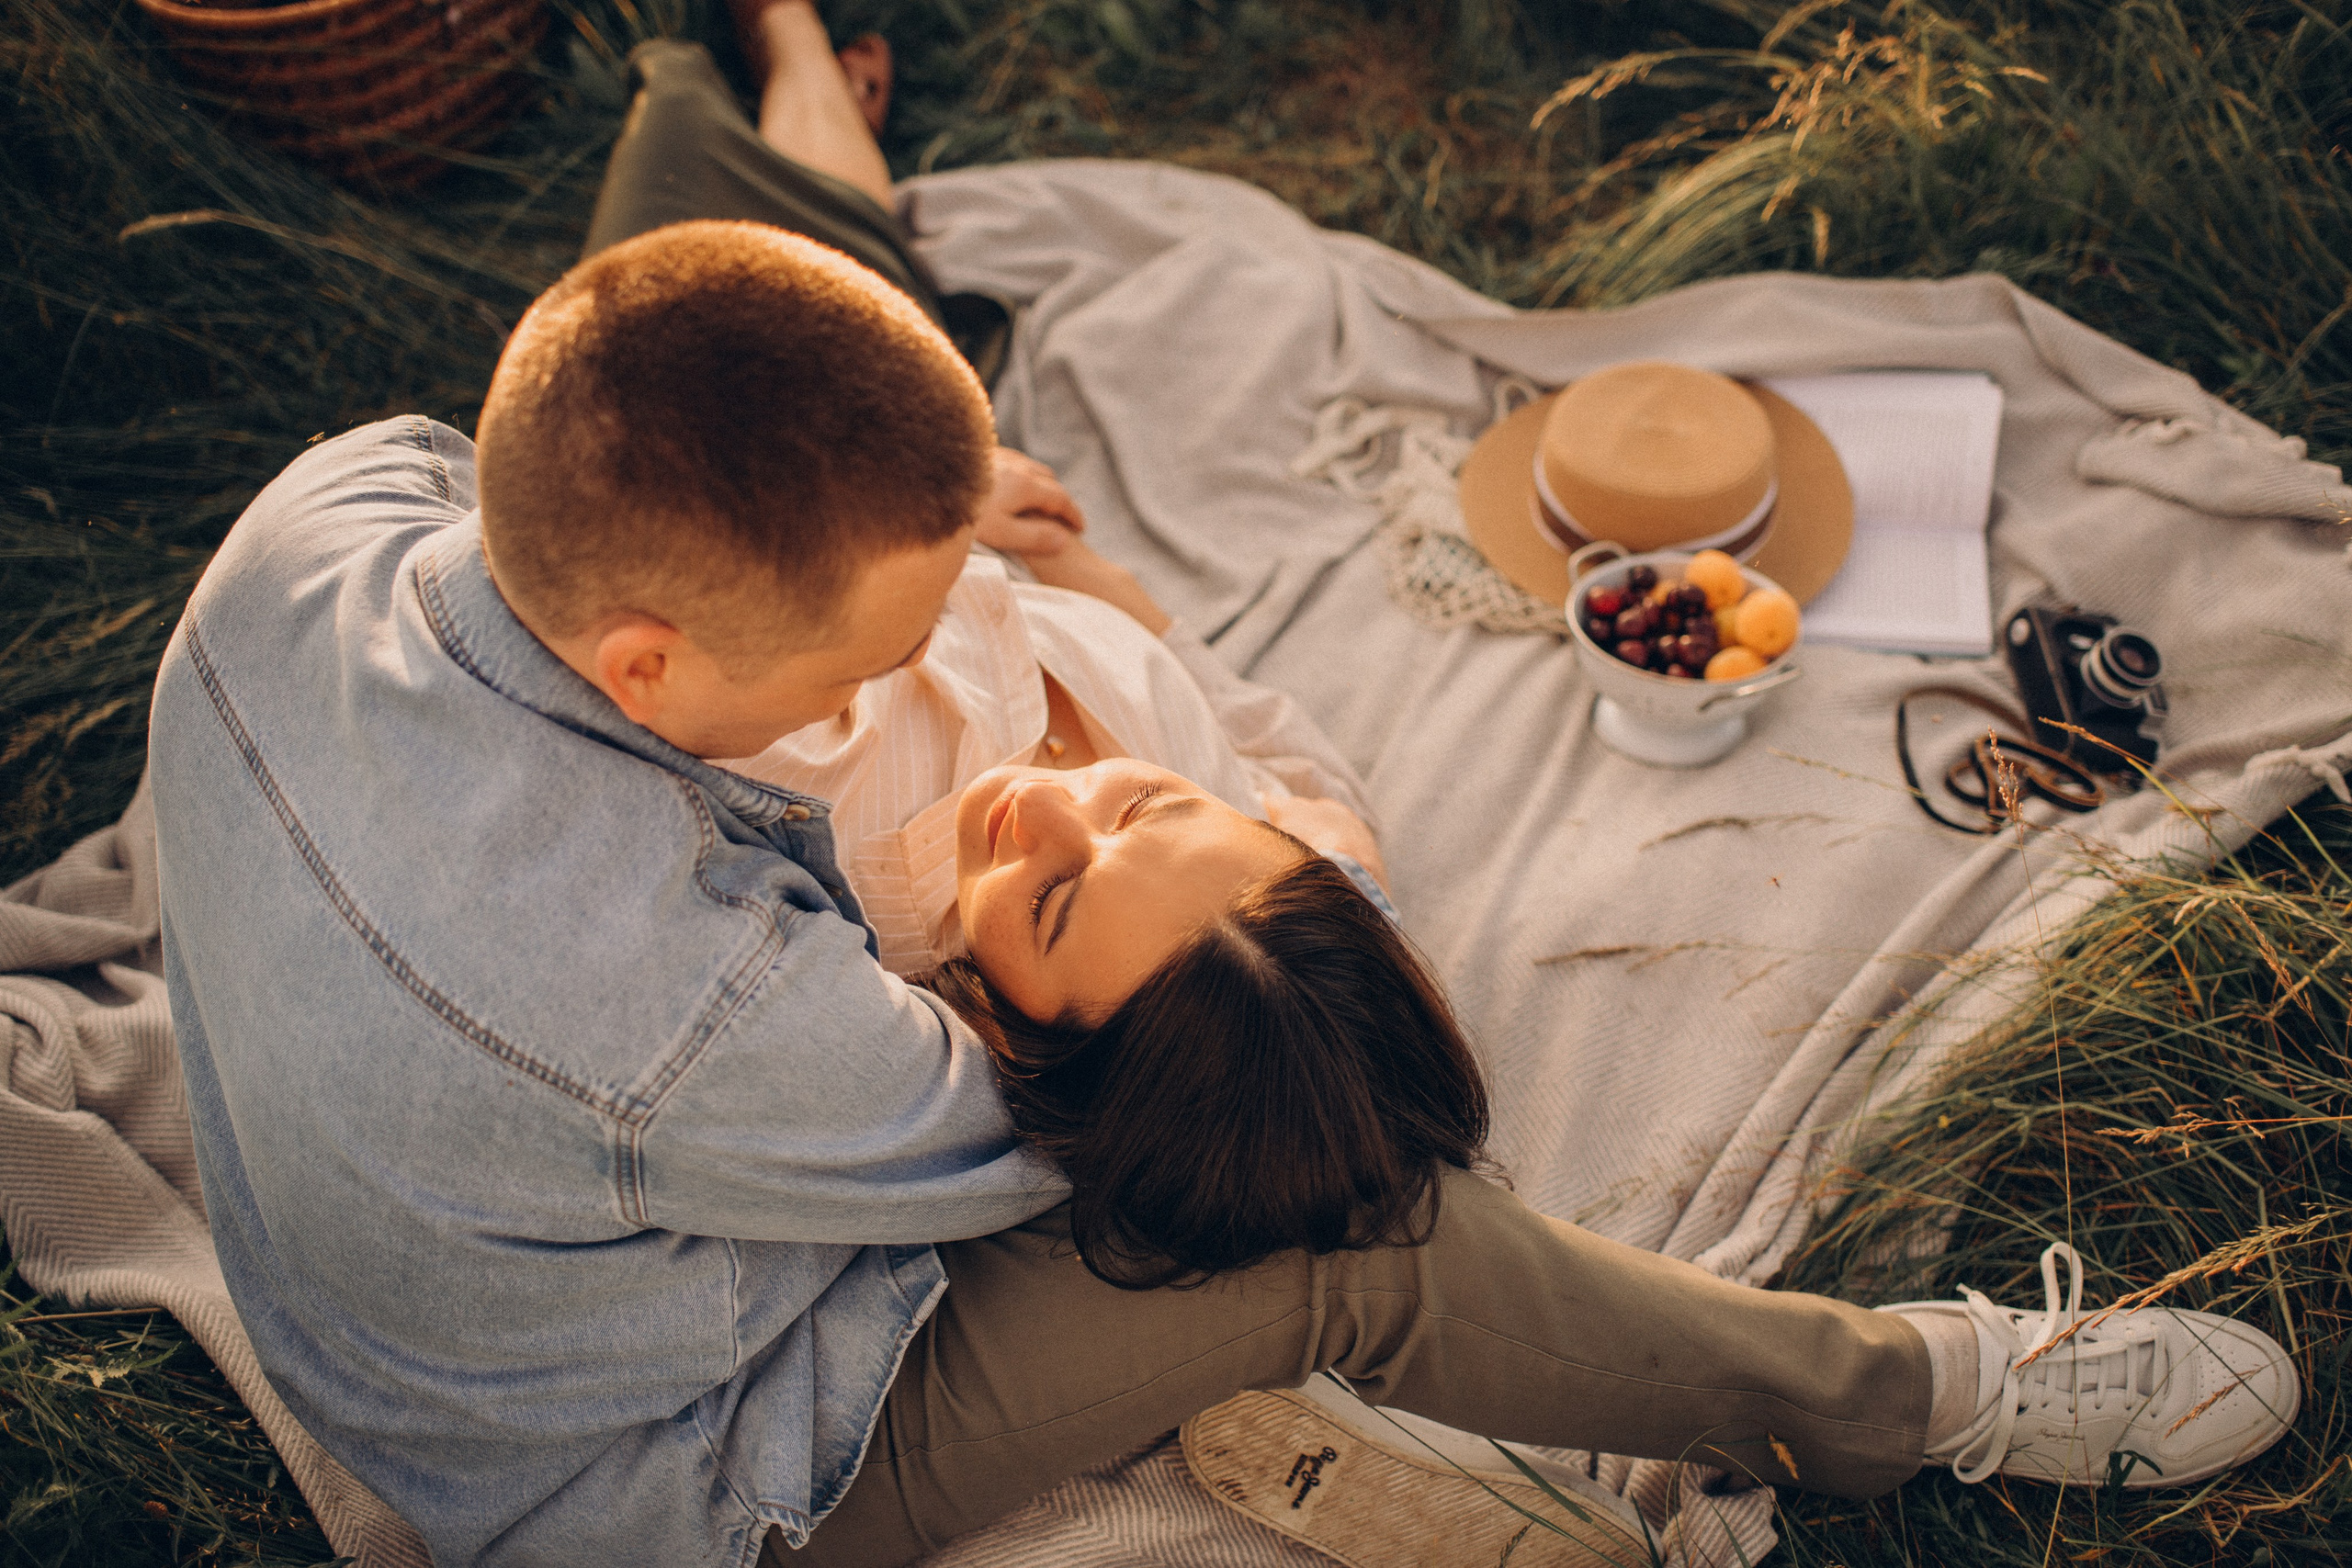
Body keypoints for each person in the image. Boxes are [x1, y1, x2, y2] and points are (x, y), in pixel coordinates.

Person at [142, 9, 2301, 1568]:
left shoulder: (321, 520)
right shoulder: (723, 1017)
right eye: (890, 640)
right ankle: (1906, 1402)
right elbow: (1192, 1108)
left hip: (405, 1272)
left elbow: (612, 388)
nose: (942, 657)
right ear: (647, 661)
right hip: (635, 1487)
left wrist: (960, 537)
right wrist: (1233, 856)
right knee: (1342, 1236)